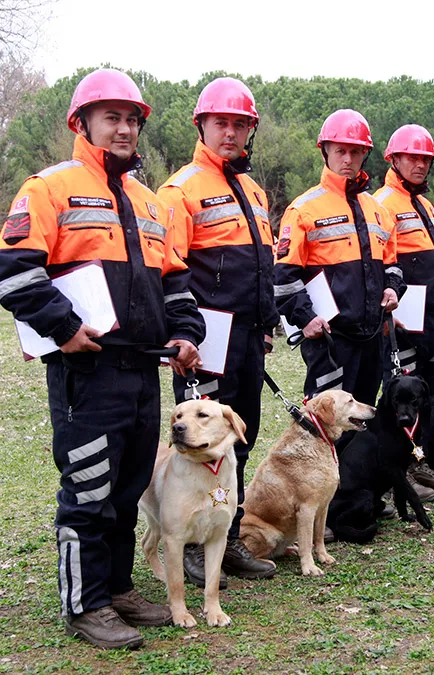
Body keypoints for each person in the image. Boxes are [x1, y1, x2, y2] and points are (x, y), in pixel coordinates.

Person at [0, 69, 206, 649]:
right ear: (81, 122)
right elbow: (14, 273)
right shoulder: (49, 187)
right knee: (88, 491)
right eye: (111, 117)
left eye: (132, 119)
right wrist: (63, 329)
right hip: (85, 374)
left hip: (144, 372)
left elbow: (176, 282)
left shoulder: (147, 199)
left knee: (129, 487)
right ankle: (83, 604)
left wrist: (187, 334)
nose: (124, 128)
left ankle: (116, 589)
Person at [158, 77, 278, 585]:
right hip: (205, 337)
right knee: (194, 444)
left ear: (250, 130)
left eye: (239, 124)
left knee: (237, 437)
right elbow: (170, 266)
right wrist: (182, 334)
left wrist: (268, 324)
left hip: (249, 337)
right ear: (202, 125)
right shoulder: (181, 188)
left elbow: (264, 262)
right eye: (221, 123)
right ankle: (187, 546)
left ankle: (223, 538)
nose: (230, 132)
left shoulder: (253, 190)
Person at [273, 109, 405, 410]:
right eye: (341, 151)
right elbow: (283, 277)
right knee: (326, 421)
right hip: (330, 339)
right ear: (326, 152)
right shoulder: (303, 209)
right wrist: (305, 319)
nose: (348, 159)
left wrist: (393, 288)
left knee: (362, 415)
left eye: (356, 152)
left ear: (365, 155)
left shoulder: (378, 210)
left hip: (372, 337)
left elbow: (393, 265)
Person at [373, 124, 434, 496]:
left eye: (425, 159)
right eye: (412, 158)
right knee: (402, 396)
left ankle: (420, 463)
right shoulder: (383, 202)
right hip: (402, 316)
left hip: (431, 316)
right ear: (393, 159)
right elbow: (381, 263)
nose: (420, 165)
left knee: (428, 392)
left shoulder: (424, 204)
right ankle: (398, 472)